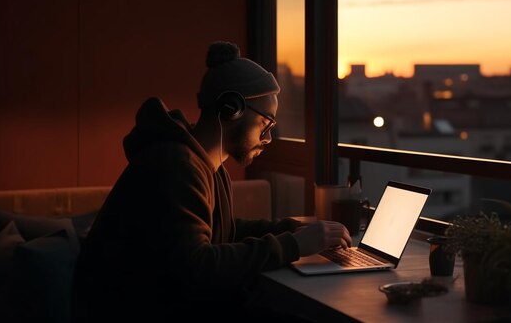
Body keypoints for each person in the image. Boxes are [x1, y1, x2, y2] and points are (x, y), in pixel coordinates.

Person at [72, 41, 352, 322]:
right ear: (232, 109)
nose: (267, 139)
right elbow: (196, 267)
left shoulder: (206, 166)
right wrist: (292, 245)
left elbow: (222, 231)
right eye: (266, 124)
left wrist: (293, 230)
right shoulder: (174, 165)